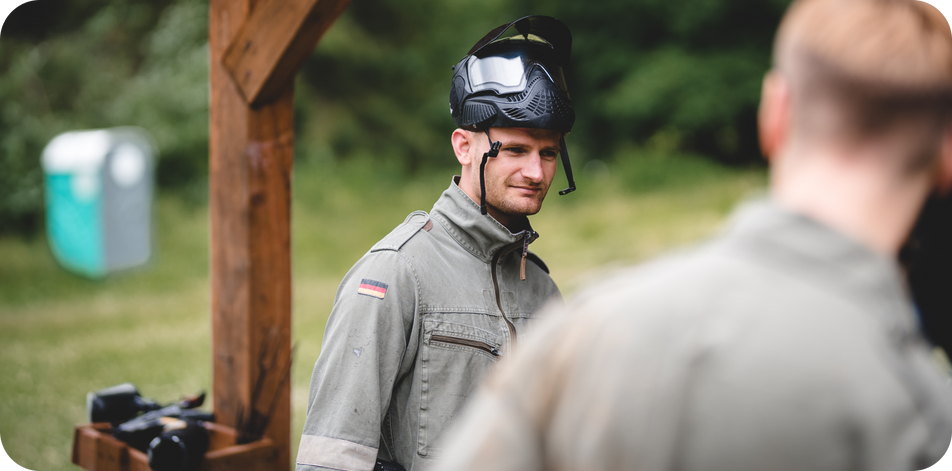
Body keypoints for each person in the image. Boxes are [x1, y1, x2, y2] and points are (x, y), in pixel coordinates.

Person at [434, 1, 952, 471]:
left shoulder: (585, 331)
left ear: (776, 113)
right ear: (946, 153)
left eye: (547, 153)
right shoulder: (923, 414)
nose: (536, 170)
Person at [295, 15, 579, 471]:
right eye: (515, 150)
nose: (537, 172)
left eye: (548, 153)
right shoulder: (393, 274)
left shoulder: (544, 291)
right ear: (464, 146)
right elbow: (332, 460)